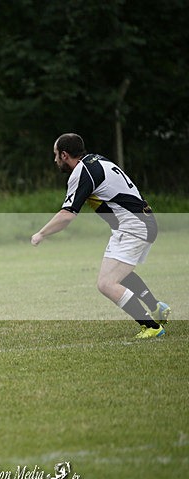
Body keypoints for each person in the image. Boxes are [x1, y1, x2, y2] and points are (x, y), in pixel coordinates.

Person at [31, 133, 170, 339]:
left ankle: (151, 326)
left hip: (134, 227)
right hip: (144, 221)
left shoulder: (82, 172)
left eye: (56, 155)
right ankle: (157, 307)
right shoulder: (96, 160)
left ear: (64, 154)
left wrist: (41, 234)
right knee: (118, 272)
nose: (55, 160)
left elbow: (67, 215)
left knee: (106, 283)